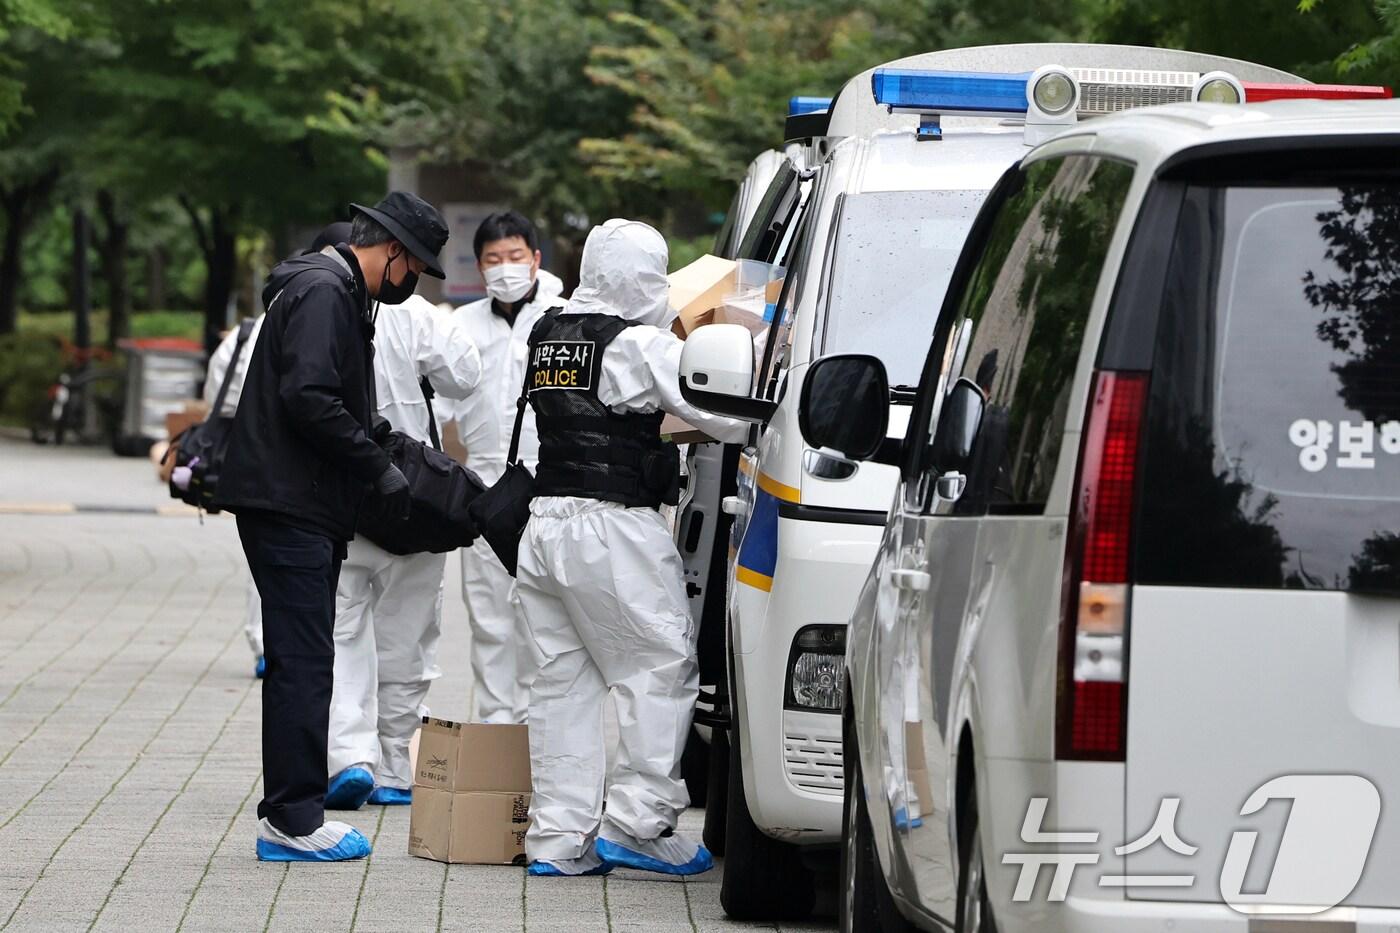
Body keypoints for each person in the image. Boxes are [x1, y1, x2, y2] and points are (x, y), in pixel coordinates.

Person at [215, 192, 449, 862]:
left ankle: (293, 812)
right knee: (305, 662)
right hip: (290, 501)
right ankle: (292, 819)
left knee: (307, 658)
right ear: (393, 251)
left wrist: (383, 442)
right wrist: (375, 465)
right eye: (415, 267)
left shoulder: (331, 288)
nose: (413, 281)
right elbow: (309, 396)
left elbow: (329, 394)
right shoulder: (325, 292)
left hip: (295, 500)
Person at [515, 219, 747, 877]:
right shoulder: (640, 345)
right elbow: (728, 415)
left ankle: (558, 839)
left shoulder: (547, 334)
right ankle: (639, 823)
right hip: (612, 528)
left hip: (544, 527)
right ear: (647, 277)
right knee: (658, 667)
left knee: (561, 685)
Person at [326, 290, 481, 809]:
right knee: (408, 637)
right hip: (413, 497)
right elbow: (464, 374)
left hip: (340, 497)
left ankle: (347, 757)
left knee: (340, 633)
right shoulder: (415, 313)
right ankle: (394, 762)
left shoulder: (309, 301)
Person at [204, 223, 350, 680]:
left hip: (262, 480)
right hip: (299, 484)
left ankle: (266, 646)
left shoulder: (267, 318)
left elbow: (217, 393)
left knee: (272, 581)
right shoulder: (329, 307)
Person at [450, 211, 565, 724]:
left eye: (515, 256)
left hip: (550, 485)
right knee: (489, 614)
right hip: (484, 482)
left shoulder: (563, 318)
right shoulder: (461, 326)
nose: (505, 267)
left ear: (536, 259)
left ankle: (540, 731)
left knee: (543, 618)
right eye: (493, 259)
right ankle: (498, 727)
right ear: (479, 267)